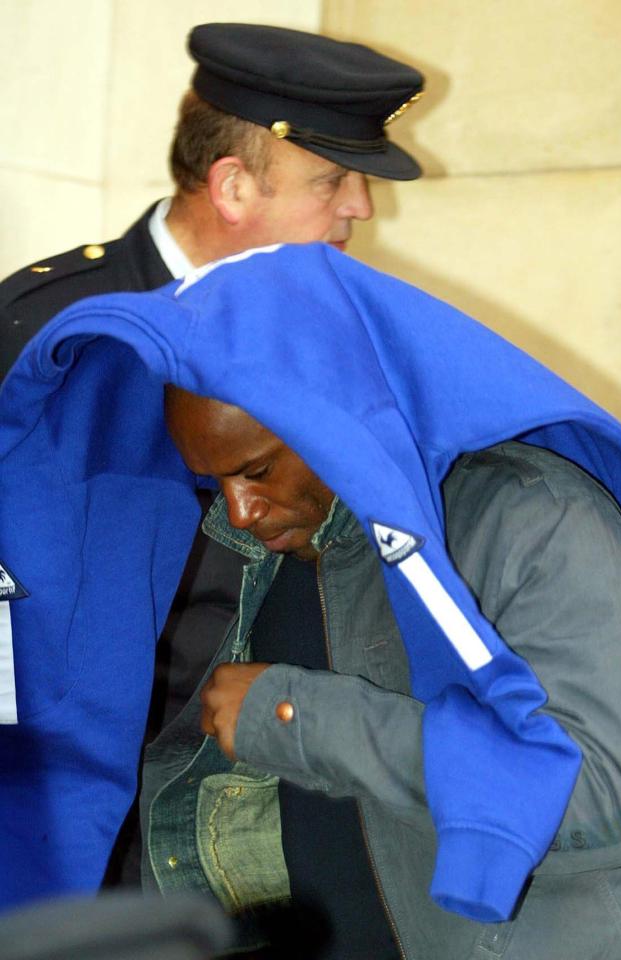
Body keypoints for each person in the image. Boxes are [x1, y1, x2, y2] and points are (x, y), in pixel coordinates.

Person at [2, 243, 621, 956]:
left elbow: (599, 806)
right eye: (214, 480)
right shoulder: (237, 542)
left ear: (333, 415)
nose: (241, 509)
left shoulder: (533, 517)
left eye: (257, 470)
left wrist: (294, 715)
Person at [0, 23, 424, 889]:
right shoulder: (44, 338)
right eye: (331, 180)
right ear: (233, 184)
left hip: (279, 815)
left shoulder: (344, 337)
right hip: (76, 828)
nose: (360, 208)